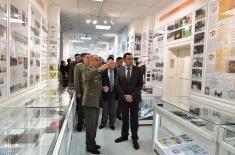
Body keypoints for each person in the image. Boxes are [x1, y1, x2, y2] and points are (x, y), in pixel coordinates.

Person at [115, 53, 143, 150]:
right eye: (129, 59)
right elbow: (117, 84)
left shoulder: (138, 70)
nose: (131, 60)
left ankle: (134, 138)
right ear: (124, 60)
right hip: (123, 99)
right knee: (125, 118)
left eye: (132, 59)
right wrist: (125, 96)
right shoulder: (119, 70)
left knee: (134, 119)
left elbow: (140, 85)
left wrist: (132, 96)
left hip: (134, 99)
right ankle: (124, 135)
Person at [82, 55, 109, 154]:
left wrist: (103, 88)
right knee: (90, 126)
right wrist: (100, 68)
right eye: (96, 60)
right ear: (90, 61)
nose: (99, 62)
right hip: (89, 102)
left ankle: (92, 143)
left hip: (96, 102)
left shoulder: (96, 70)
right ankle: (90, 146)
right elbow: (88, 77)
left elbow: (94, 85)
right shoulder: (87, 69)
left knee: (94, 125)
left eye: (99, 60)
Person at [99, 57, 118, 130]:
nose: (112, 64)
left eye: (113, 63)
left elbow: (120, 83)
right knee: (105, 110)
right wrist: (102, 87)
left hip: (115, 93)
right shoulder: (102, 72)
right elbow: (99, 83)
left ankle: (112, 123)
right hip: (106, 94)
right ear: (107, 64)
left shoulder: (117, 72)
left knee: (113, 110)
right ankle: (103, 123)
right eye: (110, 63)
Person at [74, 53, 90, 131]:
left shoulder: (91, 66)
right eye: (87, 57)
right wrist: (78, 92)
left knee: (88, 109)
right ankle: (80, 123)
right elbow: (76, 80)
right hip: (82, 91)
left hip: (90, 92)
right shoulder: (78, 66)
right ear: (83, 58)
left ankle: (87, 123)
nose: (88, 58)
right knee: (81, 108)